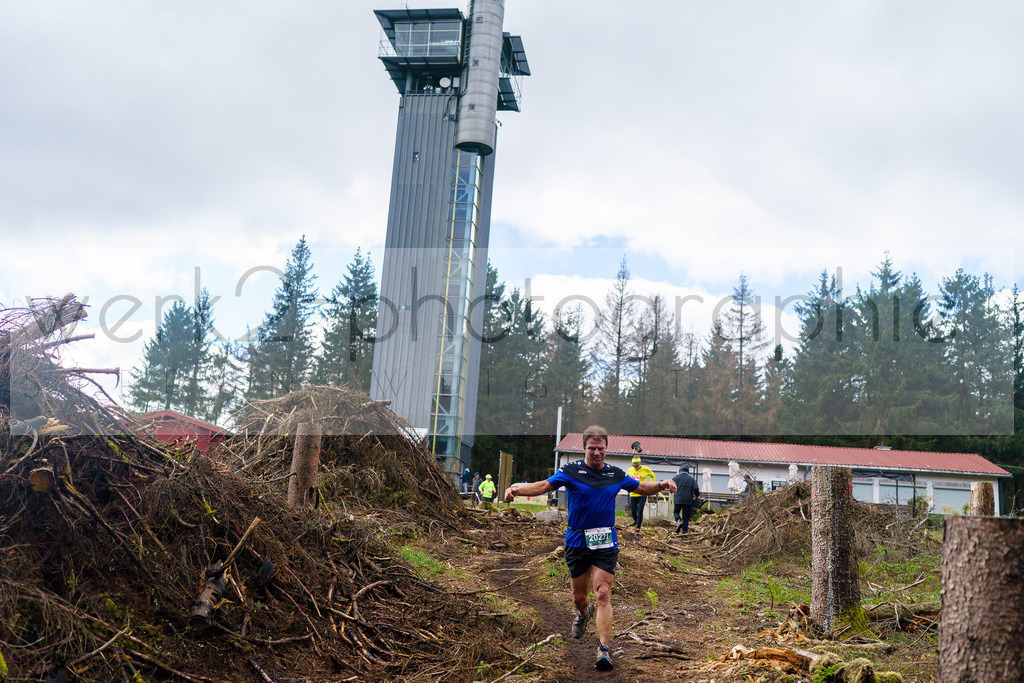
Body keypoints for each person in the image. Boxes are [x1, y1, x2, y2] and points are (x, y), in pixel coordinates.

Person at [504, 425, 677, 671]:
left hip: (605, 540)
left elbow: (641, 489)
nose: (596, 453)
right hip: (576, 541)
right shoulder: (570, 471)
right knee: (579, 598)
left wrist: (661, 484)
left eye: (601, 448)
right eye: (592, 448)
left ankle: (603, 650)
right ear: (584, 448)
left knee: (603, 592)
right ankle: (584, 614)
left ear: (607, 448)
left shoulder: (615, 474)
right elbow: (543, 485)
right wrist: (516, 489)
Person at [626, 455, 656, 537]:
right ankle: (637, 522)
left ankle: (638, 528)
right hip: (633, 493)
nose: (635, 465)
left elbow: (652, 475)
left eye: (636, 464)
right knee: (633, 512)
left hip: (643, 493)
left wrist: (651, 484)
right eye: (633, 464)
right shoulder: (630, 470)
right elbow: (627, 479)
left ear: (640, 462)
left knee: (640, 511)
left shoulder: (645, 469)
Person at [671, 466, 701, 534]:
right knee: (686, 516)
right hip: (688, 501)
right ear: (688, 471)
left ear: (680, 471)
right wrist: (697, 495)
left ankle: (678, 520)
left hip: (678, 499)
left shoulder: (675, 478)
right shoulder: (691, 479)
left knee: (676, 512)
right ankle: (684, 531)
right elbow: (696, 488)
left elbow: (671, 487)